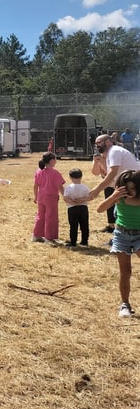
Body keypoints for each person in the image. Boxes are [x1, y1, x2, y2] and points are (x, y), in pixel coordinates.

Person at [97, 169, 140, 318]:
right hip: (122, 235)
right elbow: (99, 209)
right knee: (125, 271)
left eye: (133, 188)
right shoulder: (119, 197)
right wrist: (113, 196)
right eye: (126, 188)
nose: (130, 192)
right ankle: (125, 304)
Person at [88, 133, 140, 233]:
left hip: (134, 184)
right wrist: (97, 161)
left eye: (98, 143)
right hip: (123, 185)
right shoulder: (105, 155)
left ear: (108, 142)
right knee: (118, 212)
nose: (96, 146)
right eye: (95, 144)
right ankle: (119, 235)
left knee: (130, 212)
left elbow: (113, 172)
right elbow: (97, 173)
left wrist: (98, 189)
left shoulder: (114, 151)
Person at [32, 152, 65, 244]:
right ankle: (49, 237)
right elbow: (60, 187)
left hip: (41, 196)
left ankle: (36, 235)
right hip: (51, 197)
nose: (56, 161)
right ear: (51, 161)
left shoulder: (39, 171)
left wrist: (35, 197)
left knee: (40, 215)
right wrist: (65, 196)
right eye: (55, 159)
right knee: (51, 216)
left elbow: (35, 186)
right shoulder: (54, 173)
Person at [63, 168, 91, 247]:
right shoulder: (85, 187)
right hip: (83, 208)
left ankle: (73, 242)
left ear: (70, 177)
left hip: (72, 208)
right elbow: (91, 197)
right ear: (81, 177)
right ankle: (84, 241)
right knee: (84, 225)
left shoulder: (69, 187)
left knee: (73, 225)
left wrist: (73, 203)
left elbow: (65, 198)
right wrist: (82, 200)